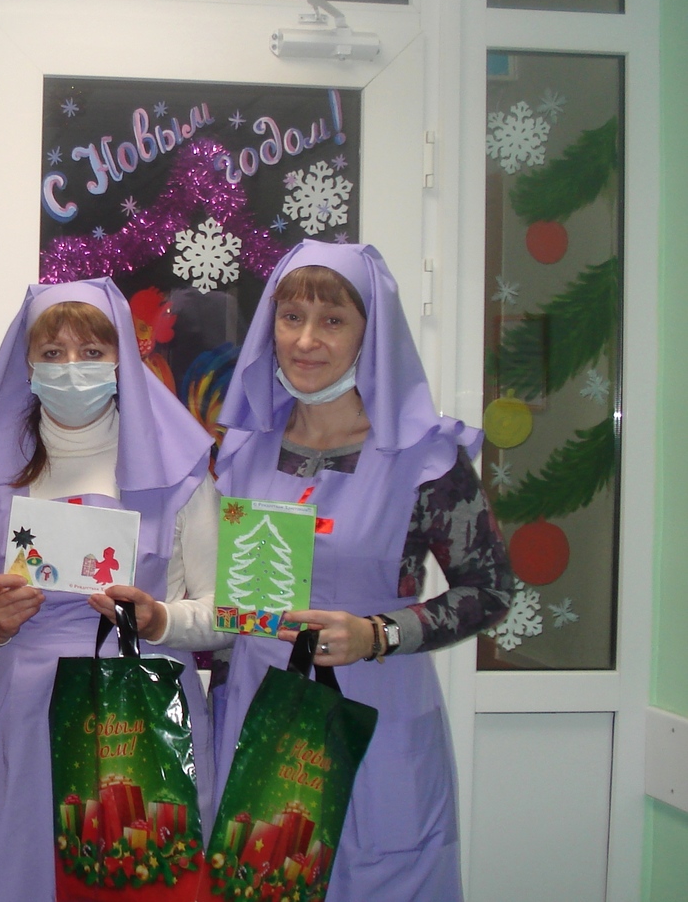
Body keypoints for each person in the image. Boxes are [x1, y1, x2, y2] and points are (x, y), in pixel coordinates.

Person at [211, 240, 513, 901]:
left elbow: (489, 589)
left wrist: (378, 632)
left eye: (333, 320)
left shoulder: (424, 457)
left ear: (370, 335)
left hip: (375, 714)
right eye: (291, 317)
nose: (306, 340)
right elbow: (229, 593)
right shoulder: (243, 450)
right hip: (258, 714)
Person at [0, 278, 228, 902]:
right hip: (21, 731)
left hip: (139, 723)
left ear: (123, 359)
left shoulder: (181, 476)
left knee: (138, 883)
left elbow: (223, 613)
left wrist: (160, 620)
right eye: (54, 352)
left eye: (92, 352)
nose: (73, 368)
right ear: (28, 365)